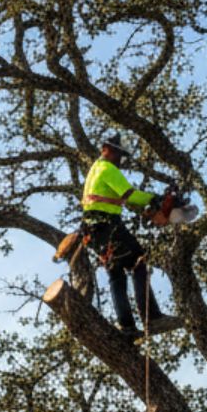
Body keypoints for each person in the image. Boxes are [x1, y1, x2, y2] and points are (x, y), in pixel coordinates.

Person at [81, 134, 168, 336]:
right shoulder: (107, 168)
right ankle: (152, 317)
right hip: (107, 225)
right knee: (139, 261)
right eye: (119, 154)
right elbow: (129, 195)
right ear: (106, 149)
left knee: (116, 274)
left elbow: (122, 200)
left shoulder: (94, 169)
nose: (120, 160)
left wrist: (146, 206)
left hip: (92, 231)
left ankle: (127, 328)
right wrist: (156, 198)